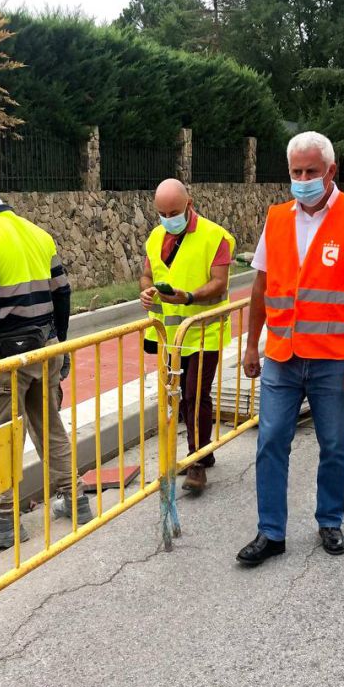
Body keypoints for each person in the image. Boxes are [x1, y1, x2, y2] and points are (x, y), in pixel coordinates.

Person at [236, 131, 344, 566]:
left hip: (335, 359)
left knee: (334, 444)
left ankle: (330, 519)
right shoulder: (278, 218)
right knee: (270, 441)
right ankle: (271, 532)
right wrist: (253, 344)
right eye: (296, 172)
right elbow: (262, 286)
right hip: (283, 357)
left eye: (311, 171)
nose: (303, 179)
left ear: (331, 171)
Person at [0, 173, 90, 552]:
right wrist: (61, 342)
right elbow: (63, 293)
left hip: (6, 354)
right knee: (50, 426)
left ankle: (5, 526)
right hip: (45, 348)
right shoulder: (36, 232)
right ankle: (76, 500)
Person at [138, 179, 234, 495]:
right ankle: (203, 450)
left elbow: (219, 282)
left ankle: (196, 462)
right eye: (162, 213)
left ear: (189, 203)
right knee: (179, 397)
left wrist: (190, 297)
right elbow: (147, 274)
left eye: (174, 211)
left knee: (195, 395)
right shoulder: (155, 236)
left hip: (204, 331)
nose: (168, 218)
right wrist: (147, 292)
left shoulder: (215, 236)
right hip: (171, 336)